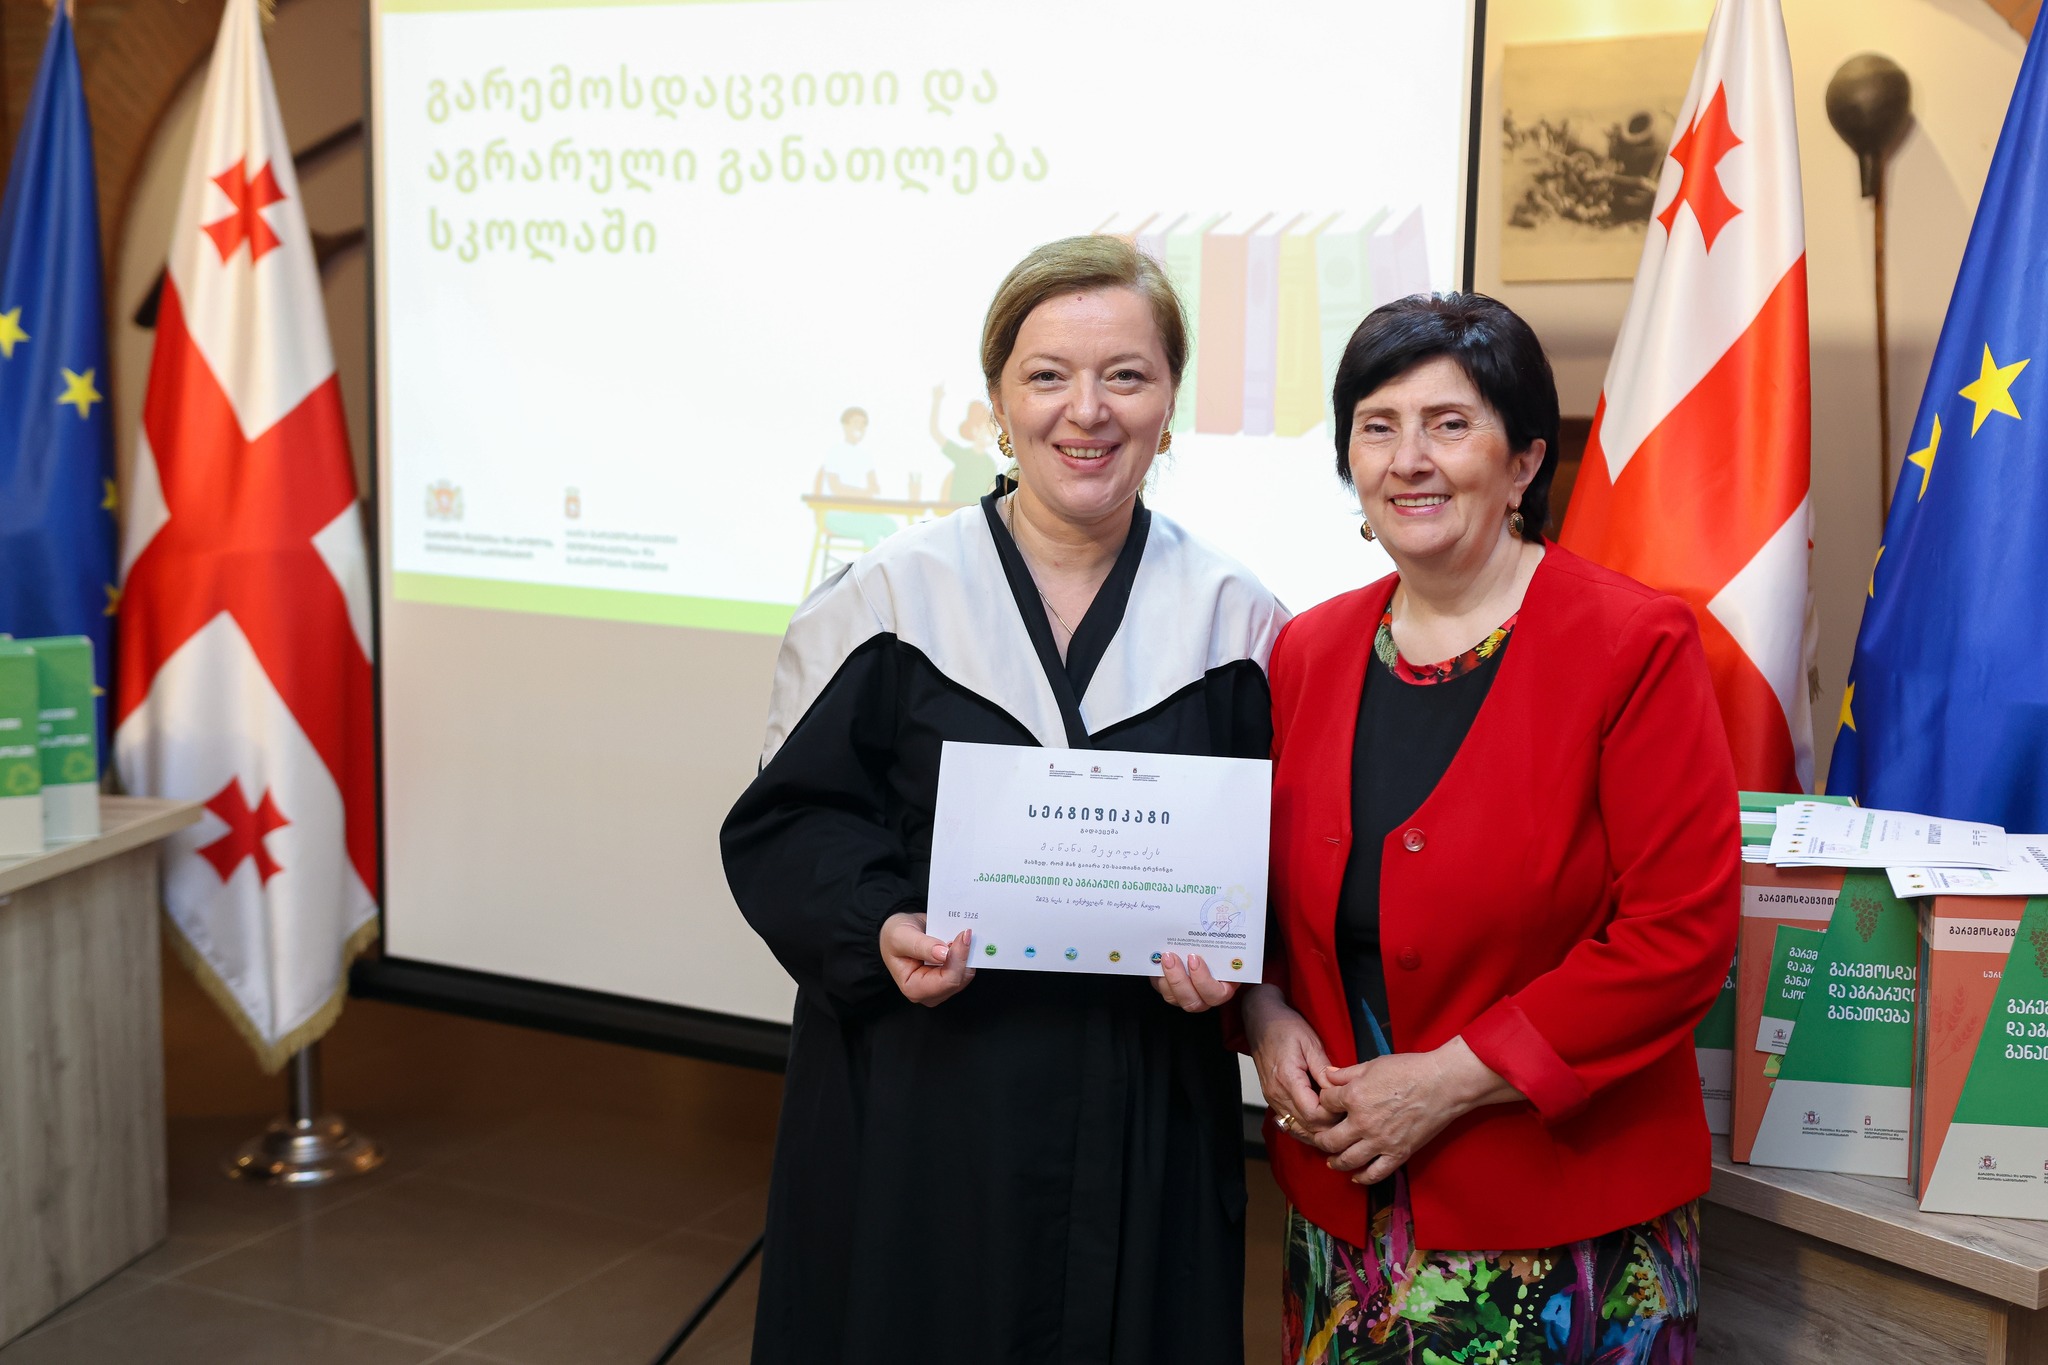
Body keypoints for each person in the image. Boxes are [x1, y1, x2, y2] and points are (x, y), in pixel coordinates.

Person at [722, 235, 1287, 1365]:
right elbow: (790, 824)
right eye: (1047, 376)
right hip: (922, 1094)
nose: (1088, 410)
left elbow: (1281, 860)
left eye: (1126, 375)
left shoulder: (1239, 624)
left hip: (1141, 1098)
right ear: (997, 404)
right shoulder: (887, 600)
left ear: (1169, 403)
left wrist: (1235, 965)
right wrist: (876, 925)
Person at [1240, 293, 1737, 1362]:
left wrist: (1446, 1081)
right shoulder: (1307, 652)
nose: (1408, 459)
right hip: (1347, 1233)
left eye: (1449, 424)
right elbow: (1263, 904)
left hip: (1567, 1234)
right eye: (1377, 426)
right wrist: (1266, 1014)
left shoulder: (1633, 644)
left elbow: (1677, 938)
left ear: (1522, 463)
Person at [817, 405, 900, 552]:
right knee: (871, 529)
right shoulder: (834, 452)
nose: (859, 427)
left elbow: (874, 487)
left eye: (863, 424)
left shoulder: (865, 456)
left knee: (890, 526)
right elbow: (836, 489)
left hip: (861, 513)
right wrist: (864, 493)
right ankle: (870, 567)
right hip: (837, 516)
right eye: (856, 422)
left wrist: (868, 491)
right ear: (845, 425)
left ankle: (894, 564)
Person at [929, 384, 1001, 505]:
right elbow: (935, 432)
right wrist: (937, 401)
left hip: (979, 512)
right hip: (955, 510)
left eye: (991, 431)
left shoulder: (989, 462)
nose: (989, 435)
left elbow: (992, 490)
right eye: (985, 430)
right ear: (974, 430)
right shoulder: (962, 456)